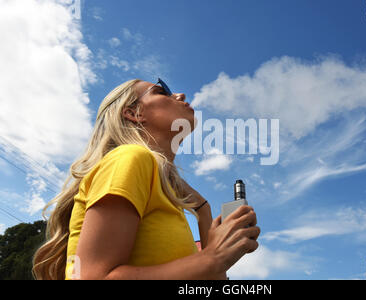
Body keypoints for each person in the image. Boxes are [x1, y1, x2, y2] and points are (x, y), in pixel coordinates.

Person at [32, 79, 260, 280]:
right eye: (161, 91)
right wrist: (212, 257)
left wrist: (202, 210)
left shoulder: (161, 190)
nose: (180, 95)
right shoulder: (130, 157)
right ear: (134, 113)